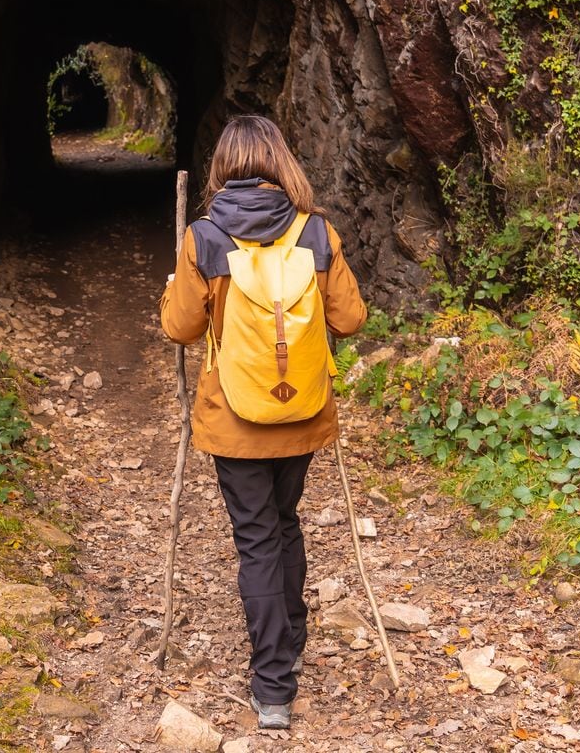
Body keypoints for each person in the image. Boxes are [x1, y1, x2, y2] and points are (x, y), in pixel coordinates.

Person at [160, 115, 367, 730]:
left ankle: (273, 686)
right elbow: (350, 319)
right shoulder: (316, 232)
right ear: (281, 162)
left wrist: (176, 286)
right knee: (284, 520)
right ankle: (292, 640)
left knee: (256, 537)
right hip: (303, 410)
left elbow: (180, 327)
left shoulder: (204, 237)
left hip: (235, 418)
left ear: (223, 166)